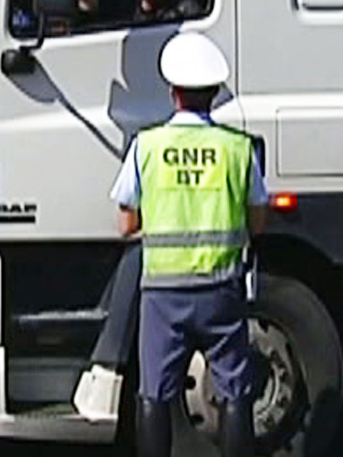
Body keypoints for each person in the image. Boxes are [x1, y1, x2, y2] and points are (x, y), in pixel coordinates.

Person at [109, 32, 267, 457]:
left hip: (163, 294)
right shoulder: (238, 148)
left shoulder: (148, 146)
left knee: (155, 392)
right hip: (221, 290)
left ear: (173, 93)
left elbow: (126, 222)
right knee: (235, 388)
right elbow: (257, 219)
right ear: (214, 95)